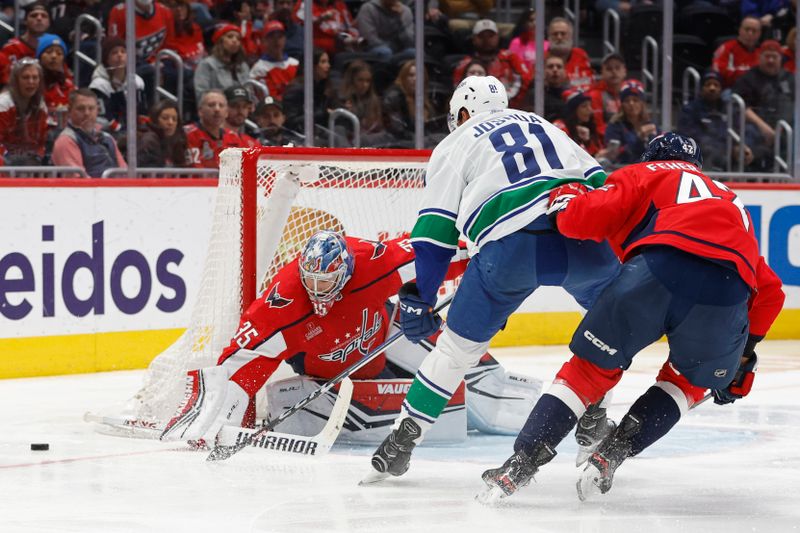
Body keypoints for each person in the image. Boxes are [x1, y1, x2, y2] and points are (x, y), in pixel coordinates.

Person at [481, 132, 786, 502]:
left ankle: (521, 463)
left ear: (650, 157)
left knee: (587, 373)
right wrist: (743, 353)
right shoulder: (728, 199)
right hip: (727, 291)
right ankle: (612, 454)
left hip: (655, 270)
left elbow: (581, 222)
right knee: (685, 384)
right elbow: (770, 291)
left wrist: (565, 201)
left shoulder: (642, 173)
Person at [366, 76, 621, 480]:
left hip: (510, 250)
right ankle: (595, 418)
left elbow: (435, 234)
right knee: (610, 332)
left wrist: (422, 298)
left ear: (462, 114)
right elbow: (605, 188)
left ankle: (402, 442)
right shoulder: (542, 123)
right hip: (583, 239)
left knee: (453, 351)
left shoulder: (455, 143)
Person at [160, 231, 540, 444]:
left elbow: (432, 255)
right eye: (311, 282)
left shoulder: (372, 262)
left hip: (383, 330)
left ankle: (534, 409)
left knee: (466, 366)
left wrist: (491, 265)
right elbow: (238, 363)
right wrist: (224, 422)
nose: (317, 291)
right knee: (434, 409)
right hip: (331, 373)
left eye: (326, 282)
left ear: (344, 273)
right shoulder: (281, 305)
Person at [733, 39, 795, 171]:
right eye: (767, 56)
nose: (771, 60)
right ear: (759, 57)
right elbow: (741, 107)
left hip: (787, 130)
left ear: (780, 58)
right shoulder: (748, 78)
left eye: (774, 57)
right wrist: (764, 128)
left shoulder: (790, 79)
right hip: (757, 129)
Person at [677, 70, 752, 171]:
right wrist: (727, 148)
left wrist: (741, 146)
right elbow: (689, 135)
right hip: (702, 155)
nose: (712, 88)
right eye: (708, 84)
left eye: (716, 85)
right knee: (712, 152)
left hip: (728, 154)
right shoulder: (690, 109)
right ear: (701, 88)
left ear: (721, 89)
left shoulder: (728, 109)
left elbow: (739, 130)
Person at [452, 20, 532, 109]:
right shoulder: (465, 64)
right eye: (481, 36)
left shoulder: (510, 57)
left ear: (497, 37)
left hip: (510, 107)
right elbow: (458, 88)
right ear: (474, 39)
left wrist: (508, 101)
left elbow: (525, 79)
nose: (486, 40)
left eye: (490, 36)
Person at [51, 89, 127, 177]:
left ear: (97, 110)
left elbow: (125, 172)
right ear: (69, 111)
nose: (87, 113)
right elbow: (78, 180)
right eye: (80, 108)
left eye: (91, 108)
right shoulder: (66, 140)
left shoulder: (108, 138)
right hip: (90, 190)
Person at [381, 60, 446, 148]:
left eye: (419, 76)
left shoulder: (425, 98)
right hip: (398, 143)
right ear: (403, 78)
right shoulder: (394, 97)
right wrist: (424, 138)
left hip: (418, 140)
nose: (415, 79)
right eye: (411, 75)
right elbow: (397, 130)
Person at [89, 37, 146, 134]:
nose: (120, 55)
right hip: (107, 132)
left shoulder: (137, 81)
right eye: (114, 53)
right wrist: (122, 130)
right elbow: (102, 118)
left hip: (131, 130)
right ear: (106, 59)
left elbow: (141, 110)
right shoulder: (98, 85)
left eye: (123, 52)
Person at [0, 58, 48, 165]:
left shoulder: (41, 105)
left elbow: (41, 141)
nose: (31, 82)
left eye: (35, 77)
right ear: (16, 80)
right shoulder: (3, 104)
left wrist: (38, 157)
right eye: (25, 77)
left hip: (28, 160)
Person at [334, 59, 391, 147]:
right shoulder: (340, 99)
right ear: (351, 80)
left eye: (368, 81)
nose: (365, 85)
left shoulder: (375, 101)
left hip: (370, 144)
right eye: (360, 80)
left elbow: (379, 129)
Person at [603, 79, 659, 165]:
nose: (631, 104)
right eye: (627, 101)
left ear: (642, 103)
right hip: (623, 169)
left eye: (635, 100)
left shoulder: (650, 124)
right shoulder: (614, 125)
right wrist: (639, 139)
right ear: (622, 105)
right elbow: (614, 156)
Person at [184, 89, 241, 169]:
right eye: (211, 105)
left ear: (226, 113)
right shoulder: (187, 134)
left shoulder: (233, 137)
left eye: (221, 105)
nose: (217, 109)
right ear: (200, 111)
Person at [193, 24, 250, 103]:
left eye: (238, 38)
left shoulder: (243, 66)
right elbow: (201, 96)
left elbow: (250, 94)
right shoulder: (207, 64)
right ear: (220, 40)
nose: (235, 40)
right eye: (230, 37)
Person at [0, 1, 50, 85]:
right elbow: (8, 82)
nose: (39, 18)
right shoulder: (11, 48)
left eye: (44, 16)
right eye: (34, 15)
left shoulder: (54, 49)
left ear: (49, 23)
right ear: (25, 21)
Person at [249, 20, 300, 101]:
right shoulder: (258, 70)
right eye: (271, 37)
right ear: (264, 41)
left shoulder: (295, 64)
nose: (276, 41)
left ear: (285, 39)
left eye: (280, 36)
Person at [292, 0, 361, 57]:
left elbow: (351, 28)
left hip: (342, 50)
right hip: (316, 53)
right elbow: (299, 27)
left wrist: (352, 38)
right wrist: (320, 19)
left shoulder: (339, 4)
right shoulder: (305, 4)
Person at [554, 89, 608, 161]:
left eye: (590, 105)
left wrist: (587, 142)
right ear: (572, 110)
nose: (590, 110)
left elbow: (594, 154)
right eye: (584, 106)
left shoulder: (588, 126)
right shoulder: (559, 127)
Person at [712, 15, 762, 87]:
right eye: (747, 29)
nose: (750, 33)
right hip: (731, 89)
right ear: (740, 30)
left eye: (754, 31)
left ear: (759, 34)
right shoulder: (726, 48)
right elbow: (719, 73)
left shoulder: (762, 52)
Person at [36, 33, 74, 129]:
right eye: (49, 52)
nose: (54, 56)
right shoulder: (32, 82)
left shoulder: (68, 84)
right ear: (39, 57)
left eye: (59, 53)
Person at [546, 17, 594, 92]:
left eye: (563, 34)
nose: (559, 37)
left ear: (571, 36)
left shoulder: (580, 54)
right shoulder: (541, 58)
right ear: (549, 37)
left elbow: (590, 82)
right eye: (555, 34)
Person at [138, 99, 189, 168]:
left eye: (174, 119)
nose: (170, 123)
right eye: (165, 118)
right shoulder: (149, 140)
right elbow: (150, 174)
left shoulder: (178, 140)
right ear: (155, 119)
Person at [588, 52, 627, 133]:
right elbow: (597, 127)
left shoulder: (630, 93)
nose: (614, 72)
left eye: (617, 68)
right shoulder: (595, 95)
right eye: (609, 69)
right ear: (602, 72)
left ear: (625, 71)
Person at [163, 0, 207, 70]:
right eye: (174, 6)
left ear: (187, 8)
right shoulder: (165, 34)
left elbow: (203, 53)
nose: (179, 9)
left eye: (181, 5)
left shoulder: (195, 28)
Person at [540, 54, 570, 123]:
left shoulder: (570, 96)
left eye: (559, 67)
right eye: (550, 67)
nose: (555, 69)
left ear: (565, 72)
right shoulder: (536, 96)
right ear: (544, 71)